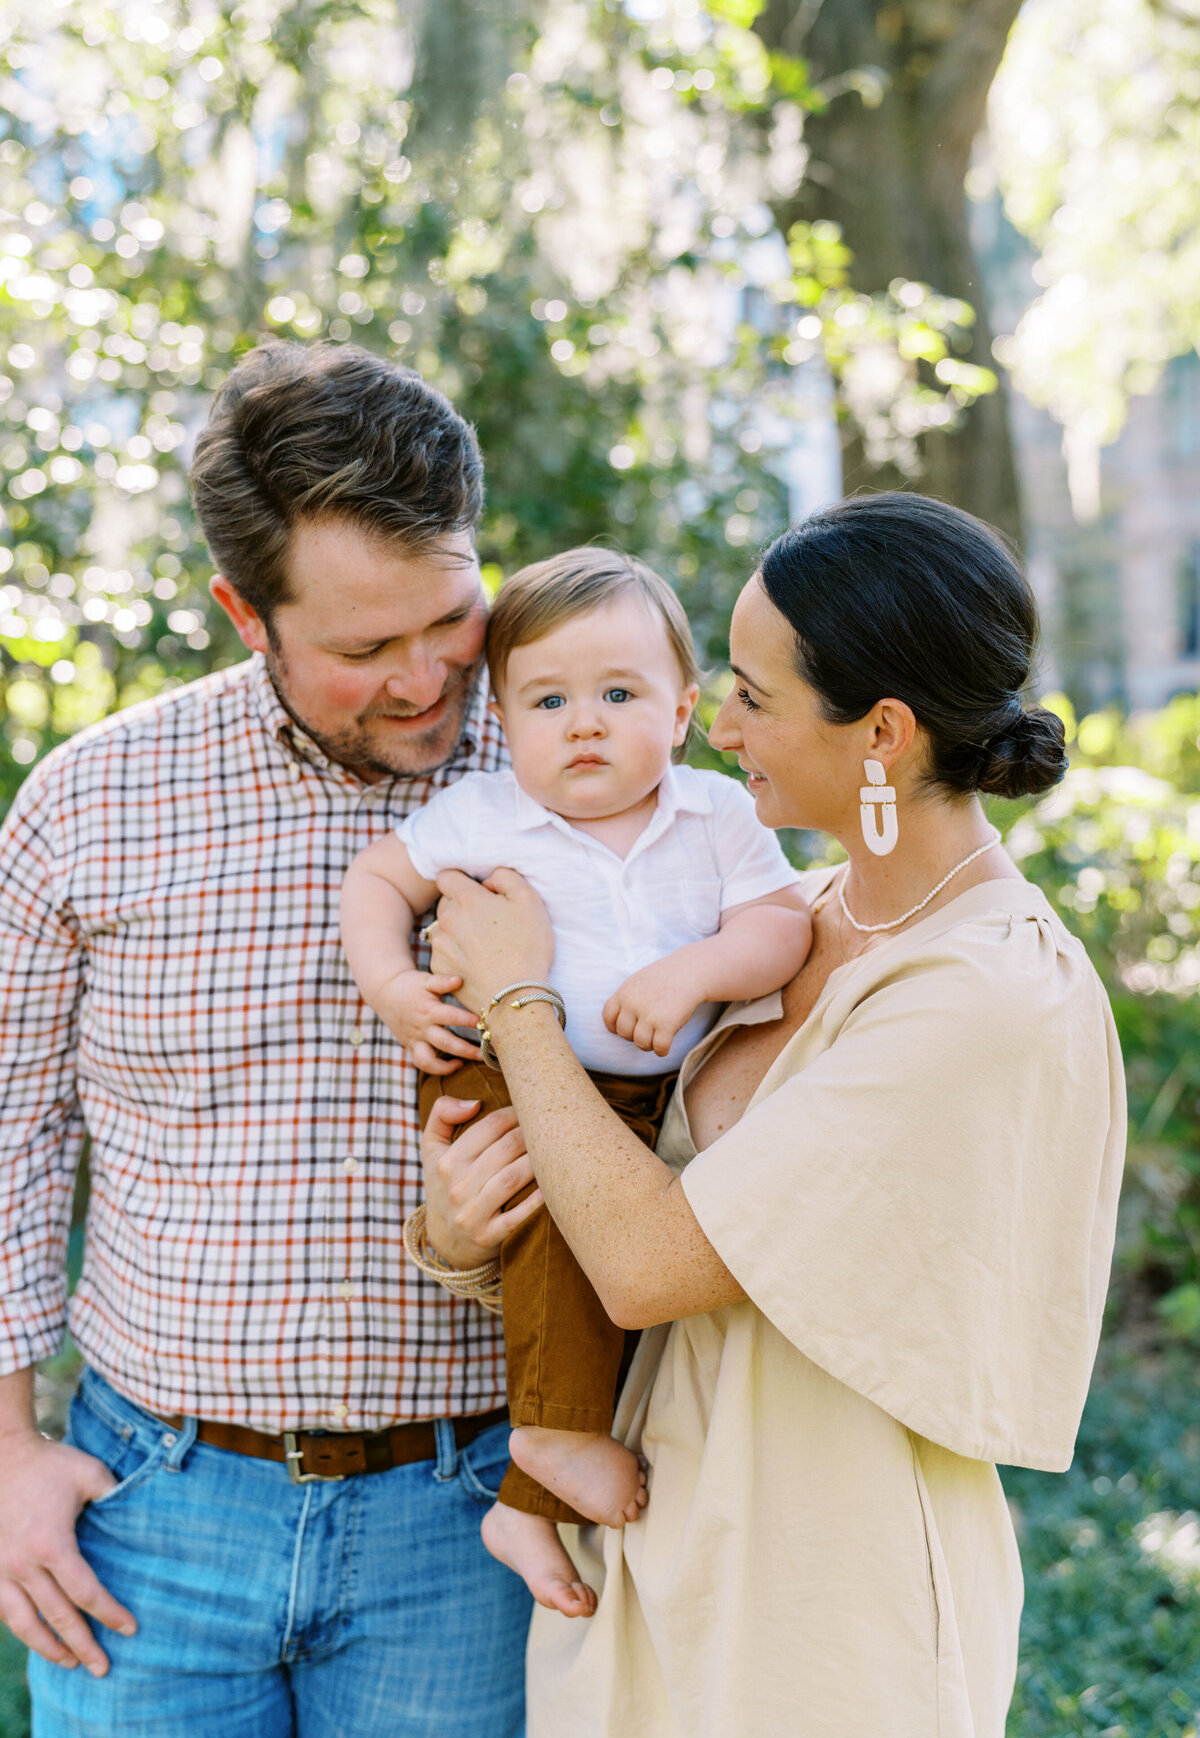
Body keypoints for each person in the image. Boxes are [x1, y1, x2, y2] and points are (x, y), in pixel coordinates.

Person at [419, 492, 1127, 1738]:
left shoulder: (982, 988)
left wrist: (518, 1003)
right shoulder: (787, 918)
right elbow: (613, 1189)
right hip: (644, 1527)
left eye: (751, 693)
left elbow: (650, 1259)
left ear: (883, 733)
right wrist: (467, 1233)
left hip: (821, 1583)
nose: (718, 726)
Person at [0, 341, 536, 1738]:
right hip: (150, 1515)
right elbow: (8, 1130)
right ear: (247, 611)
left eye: (453, 617)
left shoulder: (576, 775)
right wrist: (4, 1450)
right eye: (365, 649)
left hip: (470, 1516)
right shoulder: (92, 801)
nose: (429, 682)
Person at [341, 548, 811, 1617]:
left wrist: (698, 969)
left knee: (625, 1273)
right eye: (549, 699)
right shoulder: (483, 813)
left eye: (618, 693)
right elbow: (378, 880)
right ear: (503, 718)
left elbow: (779, 925)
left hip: (644, 1097)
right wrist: (393, 986)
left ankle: (523, 1497)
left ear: (685, 707)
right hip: (498, 1069)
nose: (584, 722)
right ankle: (550, 1433)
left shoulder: (713, 814)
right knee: (559, 1219)